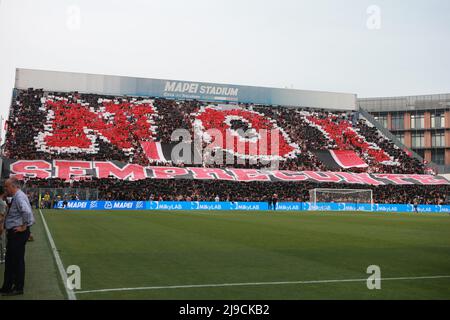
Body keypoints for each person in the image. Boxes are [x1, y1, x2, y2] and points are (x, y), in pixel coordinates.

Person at [0, 178, 35, 296]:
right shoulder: (18, 196)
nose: (5, 189)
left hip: (18, 233)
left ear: (13, 186)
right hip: (15, 232)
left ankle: (18, 287)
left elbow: (27, 212)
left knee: (16, 261)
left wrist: (24, 226)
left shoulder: (19, 197)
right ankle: (7, 286)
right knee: (11, 261)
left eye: (6, 187)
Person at [0, 192, 7, 264]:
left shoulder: (2, 202)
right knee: (2, 240)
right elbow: (2, 215)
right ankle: (2, 257)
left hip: (1, 224)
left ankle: (2, 257)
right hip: (1, 224)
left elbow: (2, 216)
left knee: (2, 241)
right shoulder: (2, 202)